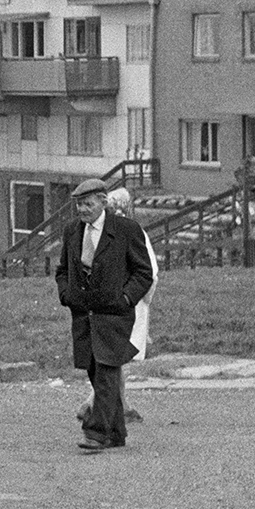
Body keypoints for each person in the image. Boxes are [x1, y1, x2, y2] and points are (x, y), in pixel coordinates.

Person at [56, 175, 155, 454]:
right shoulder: (72, 231)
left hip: (114, 315)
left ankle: (96, 432)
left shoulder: (126, 230)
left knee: (107, 372)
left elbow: (143, 273)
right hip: (84, 315)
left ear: (103, 202)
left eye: (87, 204)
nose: (82, 210)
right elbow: (62, 270)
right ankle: (117, 433)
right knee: (93, 369)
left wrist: (125, 299)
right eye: (79, 206)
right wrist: (66, 294)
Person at [79, 186, 158, 427]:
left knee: (111, 358)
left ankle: (109, 405)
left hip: (117, 303)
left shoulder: (107, 232)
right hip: (124, 306)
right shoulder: (132, 232)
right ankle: (102, 409)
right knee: (111, 358)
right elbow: (151, 274)